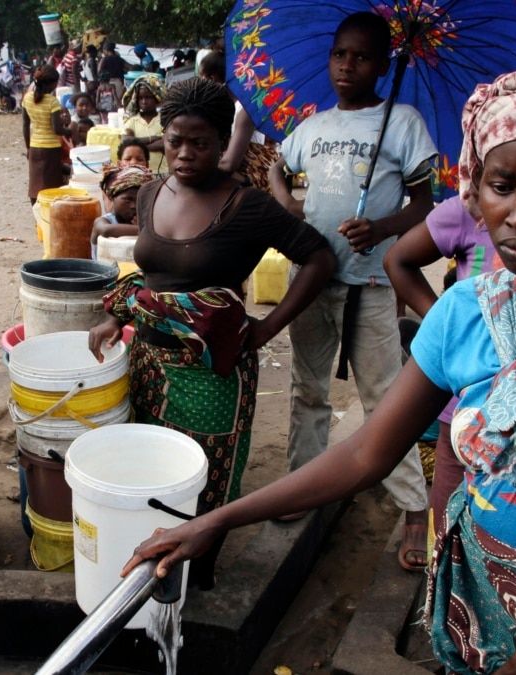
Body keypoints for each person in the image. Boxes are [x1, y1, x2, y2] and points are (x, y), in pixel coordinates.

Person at [129, 64, 516, 675]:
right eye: (501, 185)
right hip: (474, 598)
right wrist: (219, 518)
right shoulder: (467, 309)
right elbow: (367, 453)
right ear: (475, 188)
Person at [88, 78, 337, 590]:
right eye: (175, 140)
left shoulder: (248, 205)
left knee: (204, 481)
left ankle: (197, 581)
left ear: (223, 141)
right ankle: (147, 575)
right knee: (150, 468)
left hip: (212, 374)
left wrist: (267, 327)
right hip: (147, 363)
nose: (183, 153)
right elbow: (156, 278)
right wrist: (118, 315)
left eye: (199, 142)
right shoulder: (153, 191)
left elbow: (319, 257)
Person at [269, 12, 436, 566]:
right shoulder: (313, 127)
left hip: (370, 283)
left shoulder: (403, 122)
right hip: (311, 278)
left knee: (386, 396)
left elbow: (422, 204)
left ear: (383, 65)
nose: (347, 65)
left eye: (361, 56)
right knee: (307, 388)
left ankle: (416, 509)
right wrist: (289, 204)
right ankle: (303, 484)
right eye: (340, 54)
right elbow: (276, 166)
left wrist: (382, 229)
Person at [384, 195, 502, 557]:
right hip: (462, 412)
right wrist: (445, 324)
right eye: (502, 186)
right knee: (448, 536)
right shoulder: (466, 213)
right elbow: (398, 259)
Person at [200, 51, 277, 192]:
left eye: (201, 78)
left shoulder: (245, 109)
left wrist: (195, 171)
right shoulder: (216, 109)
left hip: (250, 183)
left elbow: (229, 165)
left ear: (213, 78)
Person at [23, 65, 74, 204]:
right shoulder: (52, 102)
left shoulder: (27, 98)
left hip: (34, 147)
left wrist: (28, 147)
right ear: (51, 84)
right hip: (50, 149)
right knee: (52, 186)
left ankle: (36, 214)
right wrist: (68, 131)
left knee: (35, 185)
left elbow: (25, 126)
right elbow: (56, 129)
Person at [90, 165, 149, 259]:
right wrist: (141, 229)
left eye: (139, 200)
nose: (134, 206)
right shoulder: (104, 221)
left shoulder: (147, 221)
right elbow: (106, 230)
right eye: (127, 200)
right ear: (112, 197)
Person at [122, 74, 167, 173]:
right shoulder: (132, 121)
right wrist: (154, 138)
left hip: (161, 172)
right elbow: (126, 142)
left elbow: (165, 143)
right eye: (140, 98)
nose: (144, 102)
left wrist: (137, 147)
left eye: (148, 97)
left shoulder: (164, 120)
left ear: (156, 98)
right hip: (139, 173)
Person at [98, 42, 126, 112]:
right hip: (118, 83)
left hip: (107, 83)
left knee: (107, 105)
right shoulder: (119, 59)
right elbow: (129, 67)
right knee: (118, 104)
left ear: (106, 50)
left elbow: (99, 71)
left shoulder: (104, 59)